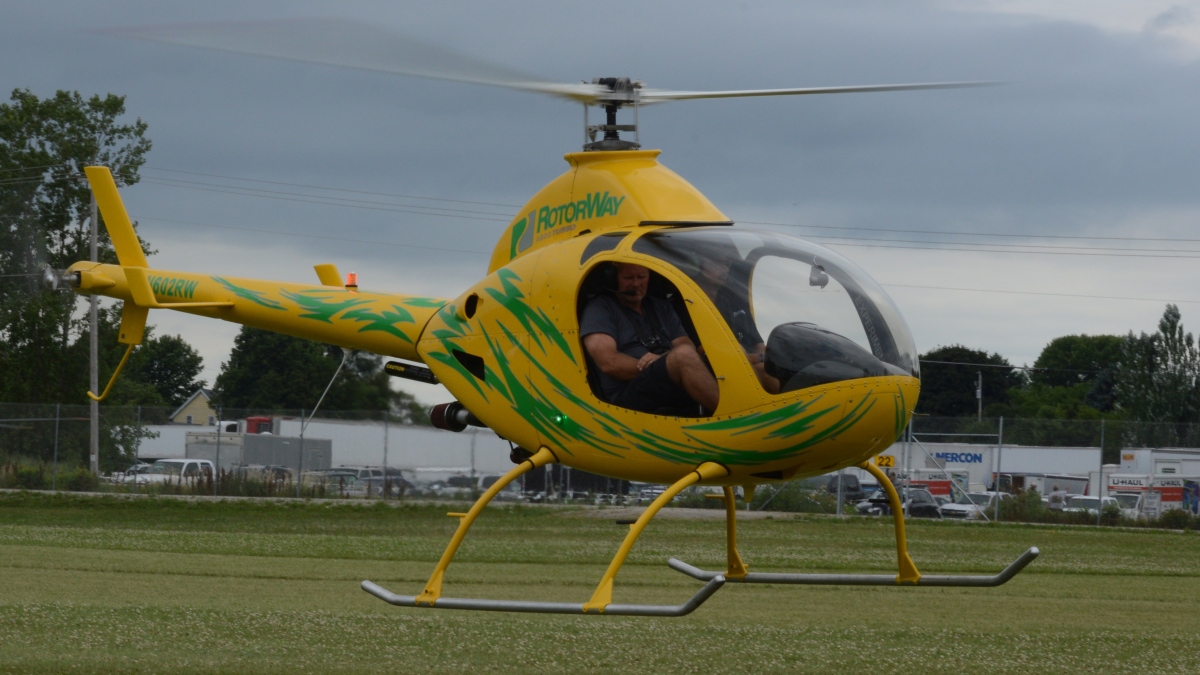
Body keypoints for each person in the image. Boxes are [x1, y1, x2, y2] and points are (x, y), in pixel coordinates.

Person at [581, 263, 720, 415]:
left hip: (666, 379)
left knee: (729, 357)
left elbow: (686, 344)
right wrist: (660, 365)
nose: (636, 283)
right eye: (628, 278)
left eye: (642, 277)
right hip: (628, 391)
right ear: (613, 280)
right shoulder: (599, 310)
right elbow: (608, 363)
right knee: (683, 356)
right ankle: (732, 417)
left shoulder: (662, 307)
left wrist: (663, 361)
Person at [693, 255, 781, 394]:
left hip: (746, 365)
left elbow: (757, 343)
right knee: (765, 372)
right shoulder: (686, 301)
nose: (725, 270)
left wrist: (770, 359)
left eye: (727, 264)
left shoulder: (733, 299)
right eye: (718, 263)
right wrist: (754, 359)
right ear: (700, 264)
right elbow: (699, 351)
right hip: (712, 371)